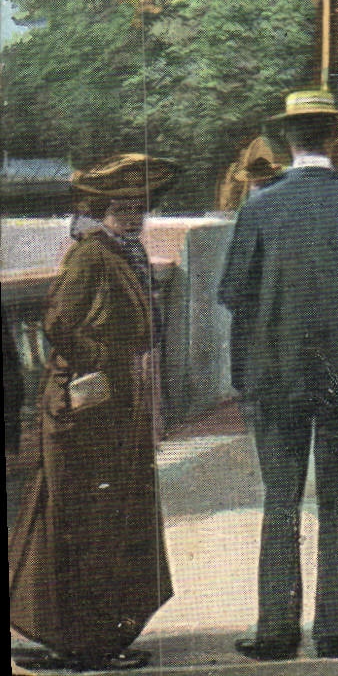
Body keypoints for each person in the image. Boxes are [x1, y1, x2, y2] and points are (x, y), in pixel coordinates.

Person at [219, 89, 338, 661]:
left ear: (286, 141)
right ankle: (337, 630)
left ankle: (275, 630)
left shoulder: (260, 205)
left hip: (275, 374)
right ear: (334, 138)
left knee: (280, 499)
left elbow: (233, 292)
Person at [9, 154, 178, 672]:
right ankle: (85, 643)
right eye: (122, 208)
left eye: (139, 208)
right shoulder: (91, 255)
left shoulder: (121, 252)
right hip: (85, 407)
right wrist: (103, 360)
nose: (133, 217)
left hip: (109, 403)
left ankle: (93, 636)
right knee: (88, 521)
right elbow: (58, 324)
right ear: (101, 211)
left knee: (106, 517)